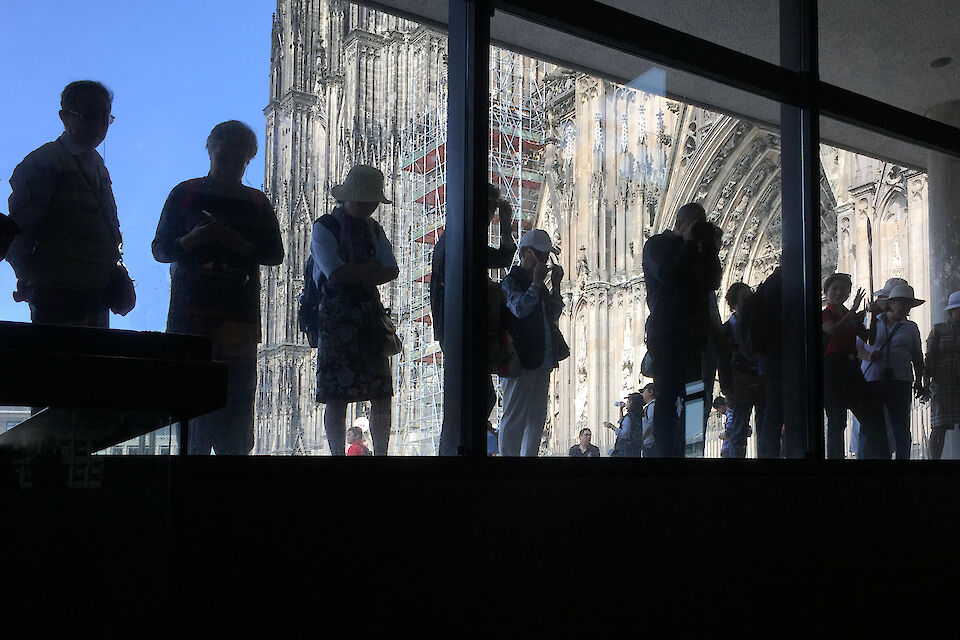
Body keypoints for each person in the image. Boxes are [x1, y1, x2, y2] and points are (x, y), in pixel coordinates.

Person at [152, 120, 283, 455]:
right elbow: (161, 249)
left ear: (249, 159)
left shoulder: (257, 203)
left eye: (237, 161)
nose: (229, 166)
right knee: (191, 409)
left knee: (236, 408)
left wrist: (237, 243)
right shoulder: (185, 193)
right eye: (223, 157)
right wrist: (193, 239)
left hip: (236, 319)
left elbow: (275, 254)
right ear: (210, 150)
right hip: (190, 318)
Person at [7, 80, 134, 327]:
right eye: (89, 115)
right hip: (56, 298)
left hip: (95, 296)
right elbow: (18, 234)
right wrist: (32, 282)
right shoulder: (44, 162)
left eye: (104, 117)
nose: (99, 124)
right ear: (64, 117)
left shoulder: (97, 165)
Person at [310, 165, 399, 456]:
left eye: (375, 200)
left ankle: (382, 454)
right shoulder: (324, 227)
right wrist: (369, 271)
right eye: (368, 199)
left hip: (369, 318)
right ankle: (337, 455)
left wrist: (357, 272)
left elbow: (391, 269)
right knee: (337, 395)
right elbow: (334, 273)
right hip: (337, 319)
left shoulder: (374, 229)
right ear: (352, 197)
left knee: (381, 393)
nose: (373, 206)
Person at [432, 184, 517, 455]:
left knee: (474, 398)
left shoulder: (459, 234)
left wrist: (505, 225)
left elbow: (501, 258)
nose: (490, 216)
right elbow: (503, 258)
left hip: (459, 328)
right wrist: (505, 227)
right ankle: (458, 450)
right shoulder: (461, 236)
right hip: (461, 329)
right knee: (472, 399)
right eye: (490, 210)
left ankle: (460, 448)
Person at [641, 202, 722, 457]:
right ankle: (666, 458)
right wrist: (689, 243)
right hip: (666, 334)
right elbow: (669, 274)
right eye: (695, 223)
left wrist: (709, 248)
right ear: (679, 224)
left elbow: (713, 281)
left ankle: (692, 454)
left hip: (693, 336)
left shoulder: (697, 251)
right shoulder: (656, 245)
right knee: (667, 397)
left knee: (696, 400)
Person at [499, 229, 568, 456]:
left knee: (537, 416)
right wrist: (537, 284)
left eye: (547, 255)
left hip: (542, 358)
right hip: (520, 358)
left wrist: (555, 285)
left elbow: (553, 315)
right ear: (526, 253)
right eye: (540, 254)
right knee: (515, 414)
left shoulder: (537, 285)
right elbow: (519, 309)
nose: (545, 260)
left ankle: (529, 460)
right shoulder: (512, 281)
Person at [858, 283, 925, 460]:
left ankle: (902, 463)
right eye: (900, 302)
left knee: (900, 426)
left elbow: (917, 355)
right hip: (873, 379)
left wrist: (919, 380)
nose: (903, 306)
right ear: (891, 303)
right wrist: (868, 356)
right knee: (871, 424)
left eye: (908, 303)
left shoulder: (911, 327)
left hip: (900, 380)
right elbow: (857, 346)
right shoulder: (871, 320)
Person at [924, 291, 960, 459]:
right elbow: (929, 356)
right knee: (939, 427)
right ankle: (934, 461)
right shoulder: (939, 329)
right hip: (943, 382)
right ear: (951, 310)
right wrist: (925, 382)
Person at [604, 392, 645, 457]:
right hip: (636, 449)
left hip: (625, 450)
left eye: (628, 402)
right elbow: (624, 424)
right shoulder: (640, 416)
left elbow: (624, 434)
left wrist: (612, 426)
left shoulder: (629, 417)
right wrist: (621, 410)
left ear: (631, 403)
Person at [638, 383, 657, 457]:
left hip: (650, 445)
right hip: (649, 444)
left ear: (650, 392)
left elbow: (651, 425)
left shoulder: (652, 406)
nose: (642, 394)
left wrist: (641, 439)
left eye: (643, 391)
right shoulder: (650, 406)